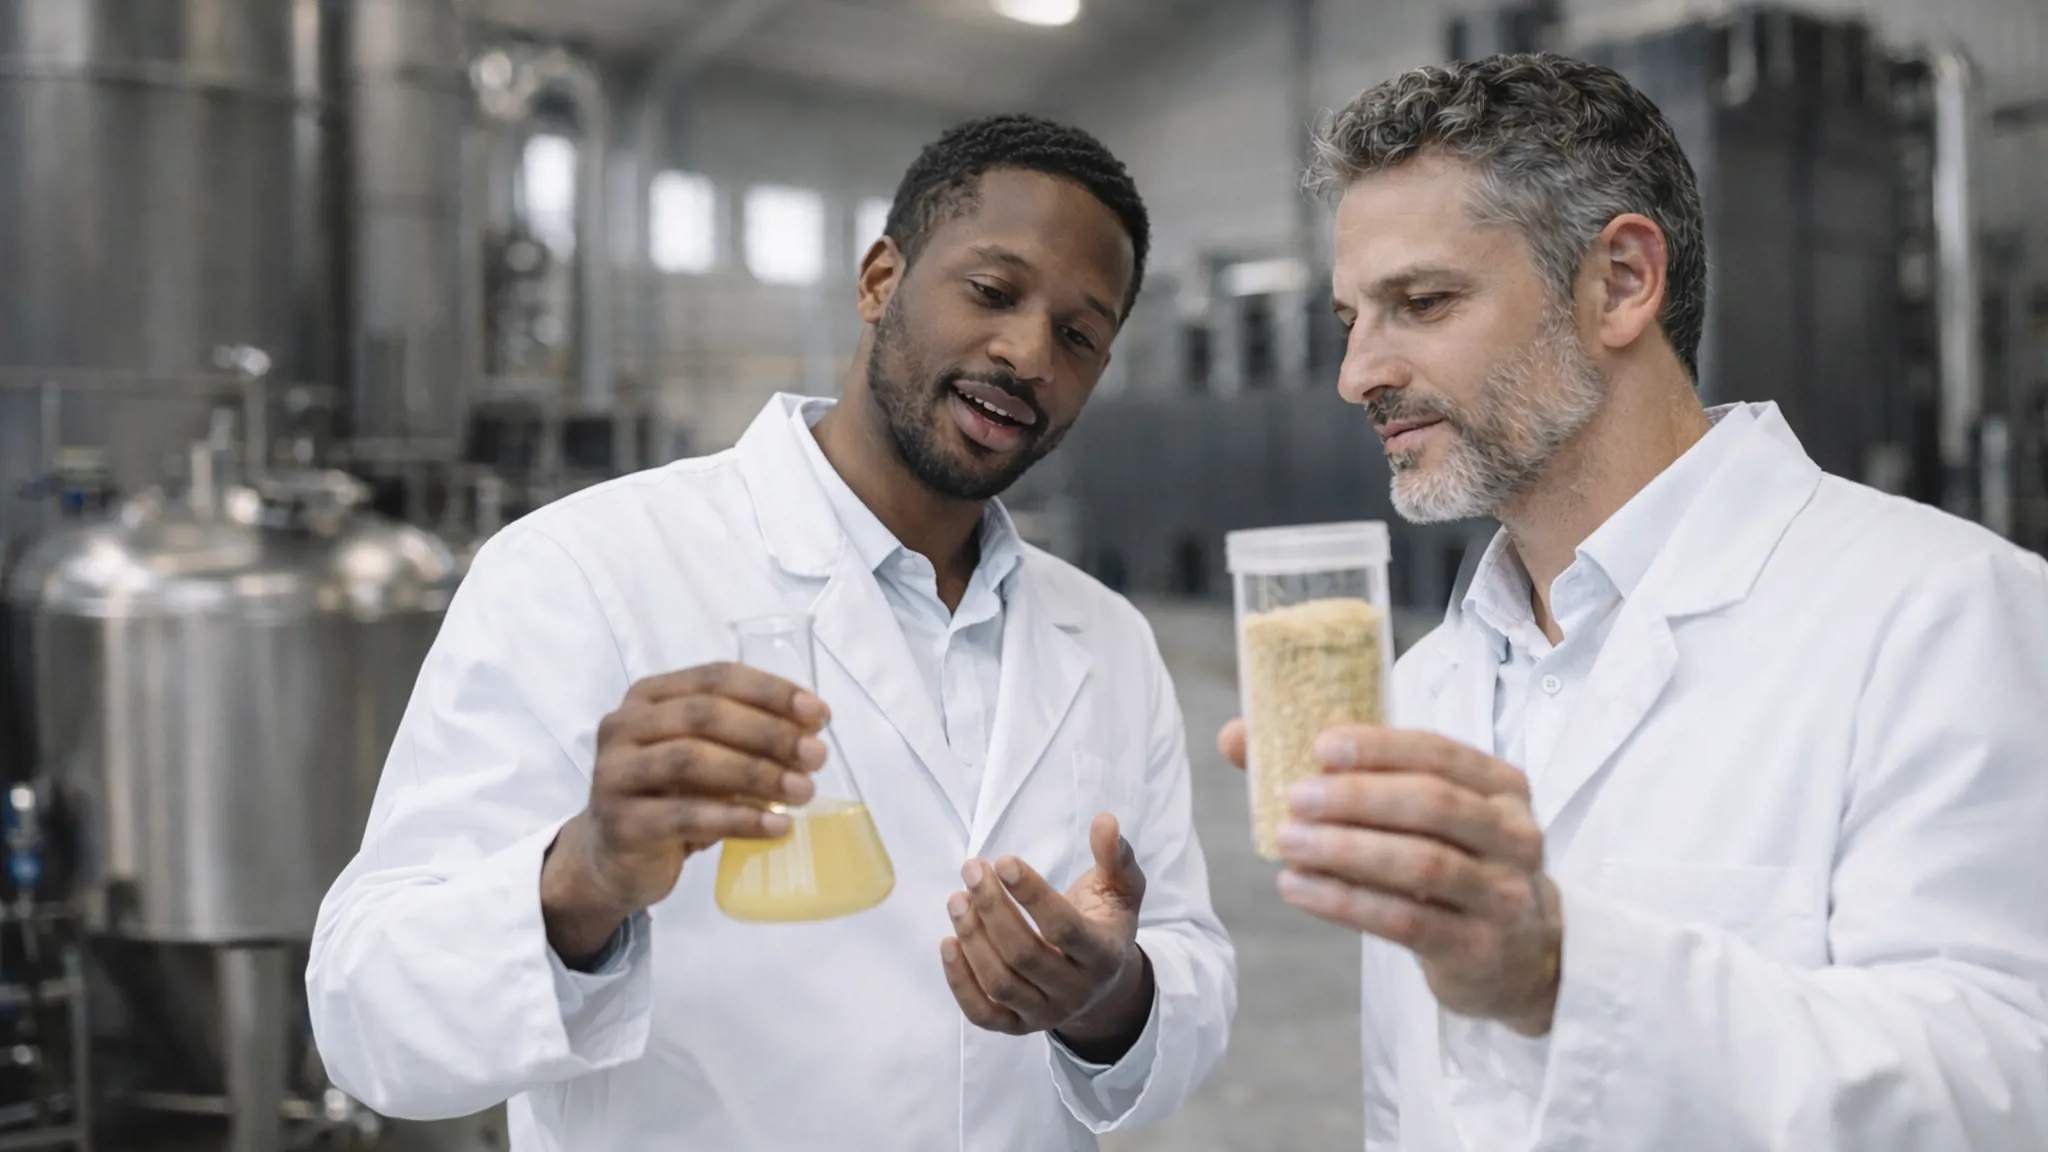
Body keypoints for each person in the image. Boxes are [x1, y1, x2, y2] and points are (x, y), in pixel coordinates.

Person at [309, 114, 1235, 1151]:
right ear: (880, 280)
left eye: (1078, 336)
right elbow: (367, 1015)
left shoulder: (1105, 638)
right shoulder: (584, 570)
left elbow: (1190, 966)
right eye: (990, 290)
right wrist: (583, 877)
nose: (1027, 354)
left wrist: (1107, 998)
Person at [1220, 54, 2048, 1150]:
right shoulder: (1425, 687)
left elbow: (2004, 1088)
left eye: (1420, 303)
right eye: (1349, 319)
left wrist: (1562, 973)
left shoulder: (1942, 614)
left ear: (1618, 282)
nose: (1356, 374)